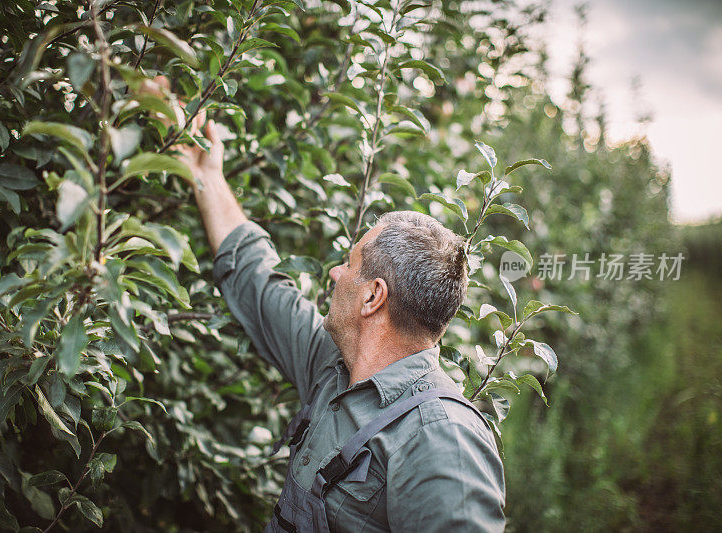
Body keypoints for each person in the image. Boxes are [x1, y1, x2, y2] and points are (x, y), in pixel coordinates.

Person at [166, 86, 506, 531]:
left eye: (349, 264)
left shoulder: (442, 439)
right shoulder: (334, 368)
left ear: (372, 297)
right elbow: (258, 280)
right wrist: (204, 172)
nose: (333, 273)